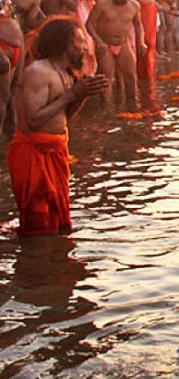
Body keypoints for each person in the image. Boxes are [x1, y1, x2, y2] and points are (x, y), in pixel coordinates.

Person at [7, 18, 108, 236]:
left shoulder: (65, 72)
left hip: (56, 152)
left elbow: (64, 117)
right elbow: (34, 120)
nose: (83, 46)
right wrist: (72, 94)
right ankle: (36, 265)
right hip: (33, 155)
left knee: (57, 225)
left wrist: (82, 96)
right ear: (65, 43)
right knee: (38, 226)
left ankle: (53, 264)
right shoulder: (38, 72)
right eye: (80, 41)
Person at [85, 0, 145, 102]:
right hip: (106, 45)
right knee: (106, 79)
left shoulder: (134, 5)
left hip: (123, 44)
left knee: (131, 77)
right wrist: (99, 41)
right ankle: (106, 109)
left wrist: (141, 42)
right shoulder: (102, 3)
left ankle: (132, 104)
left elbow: (138, 25)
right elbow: (89, 24)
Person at [133, 0, 161, 78]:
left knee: (151, 42)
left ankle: (150, 71)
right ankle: (142, 72)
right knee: (145, 41)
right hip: (142, 8)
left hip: (151, 8)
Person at [0, 0, 25, 136]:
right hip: (2, 51)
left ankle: (10, 133)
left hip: (15, 48)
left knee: (11, 93)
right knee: (1, 98)